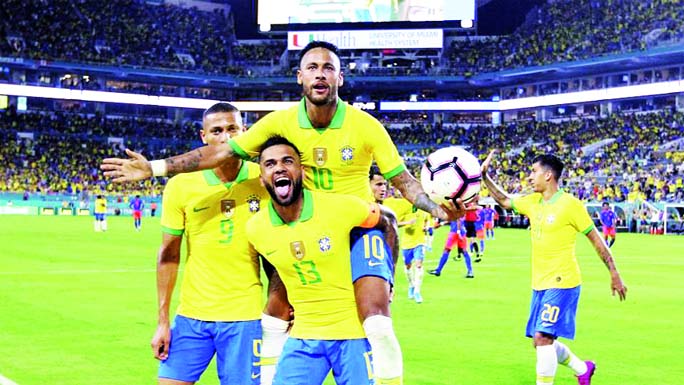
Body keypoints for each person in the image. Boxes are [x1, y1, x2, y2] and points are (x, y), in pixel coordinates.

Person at [102, 40, 466, 384]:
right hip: (299, 229)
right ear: (300, 77)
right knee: (275, 313)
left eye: (328, 68)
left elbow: (402, 180)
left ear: (340, 77)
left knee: (375, 321)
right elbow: (221, 152)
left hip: (356, 229)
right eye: (312, 67)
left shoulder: (366, 126)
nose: (320, 73)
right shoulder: (280, 123)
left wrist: (437, 209)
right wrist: (155, 167)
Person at [246, 136, 397, 385]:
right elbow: (275, 269)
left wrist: (386, 276)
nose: (280, 168)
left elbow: (388, 221)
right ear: (262, 179)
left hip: (354, 336)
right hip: (303, 338)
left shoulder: (340, 208)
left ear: (302, 172)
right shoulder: (256, 229)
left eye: (288, 161)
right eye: (270, 164)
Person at [481, 151, 628, 385]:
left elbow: (596, 239)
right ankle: (583, 369)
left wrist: (614, 272)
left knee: (542, 338)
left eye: (534, 172)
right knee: (540, 341)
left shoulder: (570, 205)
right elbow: (504, 200)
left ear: (548, 175)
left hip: (563, 281)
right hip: (539, 283)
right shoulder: (532, 202)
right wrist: (484, 177)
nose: (529, 177)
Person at [151, 103, 268, 385]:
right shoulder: (181, 185)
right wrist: (163, 321)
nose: (225, 137)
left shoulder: (262, 179)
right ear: (204, 136)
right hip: (192, 315)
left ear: (245, 132)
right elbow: (168, 256)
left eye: (232, 129)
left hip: (245, 316)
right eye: (216, 131)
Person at [384, 192, 428, 303]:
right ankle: (411, 285)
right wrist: (407, 222)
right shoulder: (406, 210)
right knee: (408, 266)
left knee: (418, 264)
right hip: (407, 242)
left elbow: (427, 221)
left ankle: (417, 291)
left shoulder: (423, 211)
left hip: (420, 241)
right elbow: (395, 223)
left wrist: (426, 227)